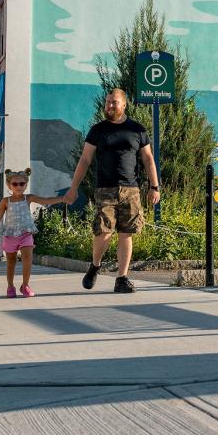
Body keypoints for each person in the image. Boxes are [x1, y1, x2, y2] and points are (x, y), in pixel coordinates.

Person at [64, 88, 160, 293]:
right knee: (103, 233)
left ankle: (122, 278)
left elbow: (148, 159)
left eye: (114, 102)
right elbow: (85, 159)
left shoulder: (137, 130)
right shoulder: (97, 130)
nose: (109, 106)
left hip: (131, 189)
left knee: (127, 234)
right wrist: (73, 188)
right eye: (107, 102)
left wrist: (154, 186)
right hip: (105, 189)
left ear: (124, 104)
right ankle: (95, 265)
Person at [0, 167, 62, 298]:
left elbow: (46, 200)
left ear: (26, 184)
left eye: (22, 184)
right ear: (9, 185)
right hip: (10, 234)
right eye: (15, 184)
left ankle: (25, 285)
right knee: (11, 261)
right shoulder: (5, 201)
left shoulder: (29, 198)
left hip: (26, 233)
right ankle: (10, 286)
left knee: (27, 258)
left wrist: (63, 198)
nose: (18, 186)